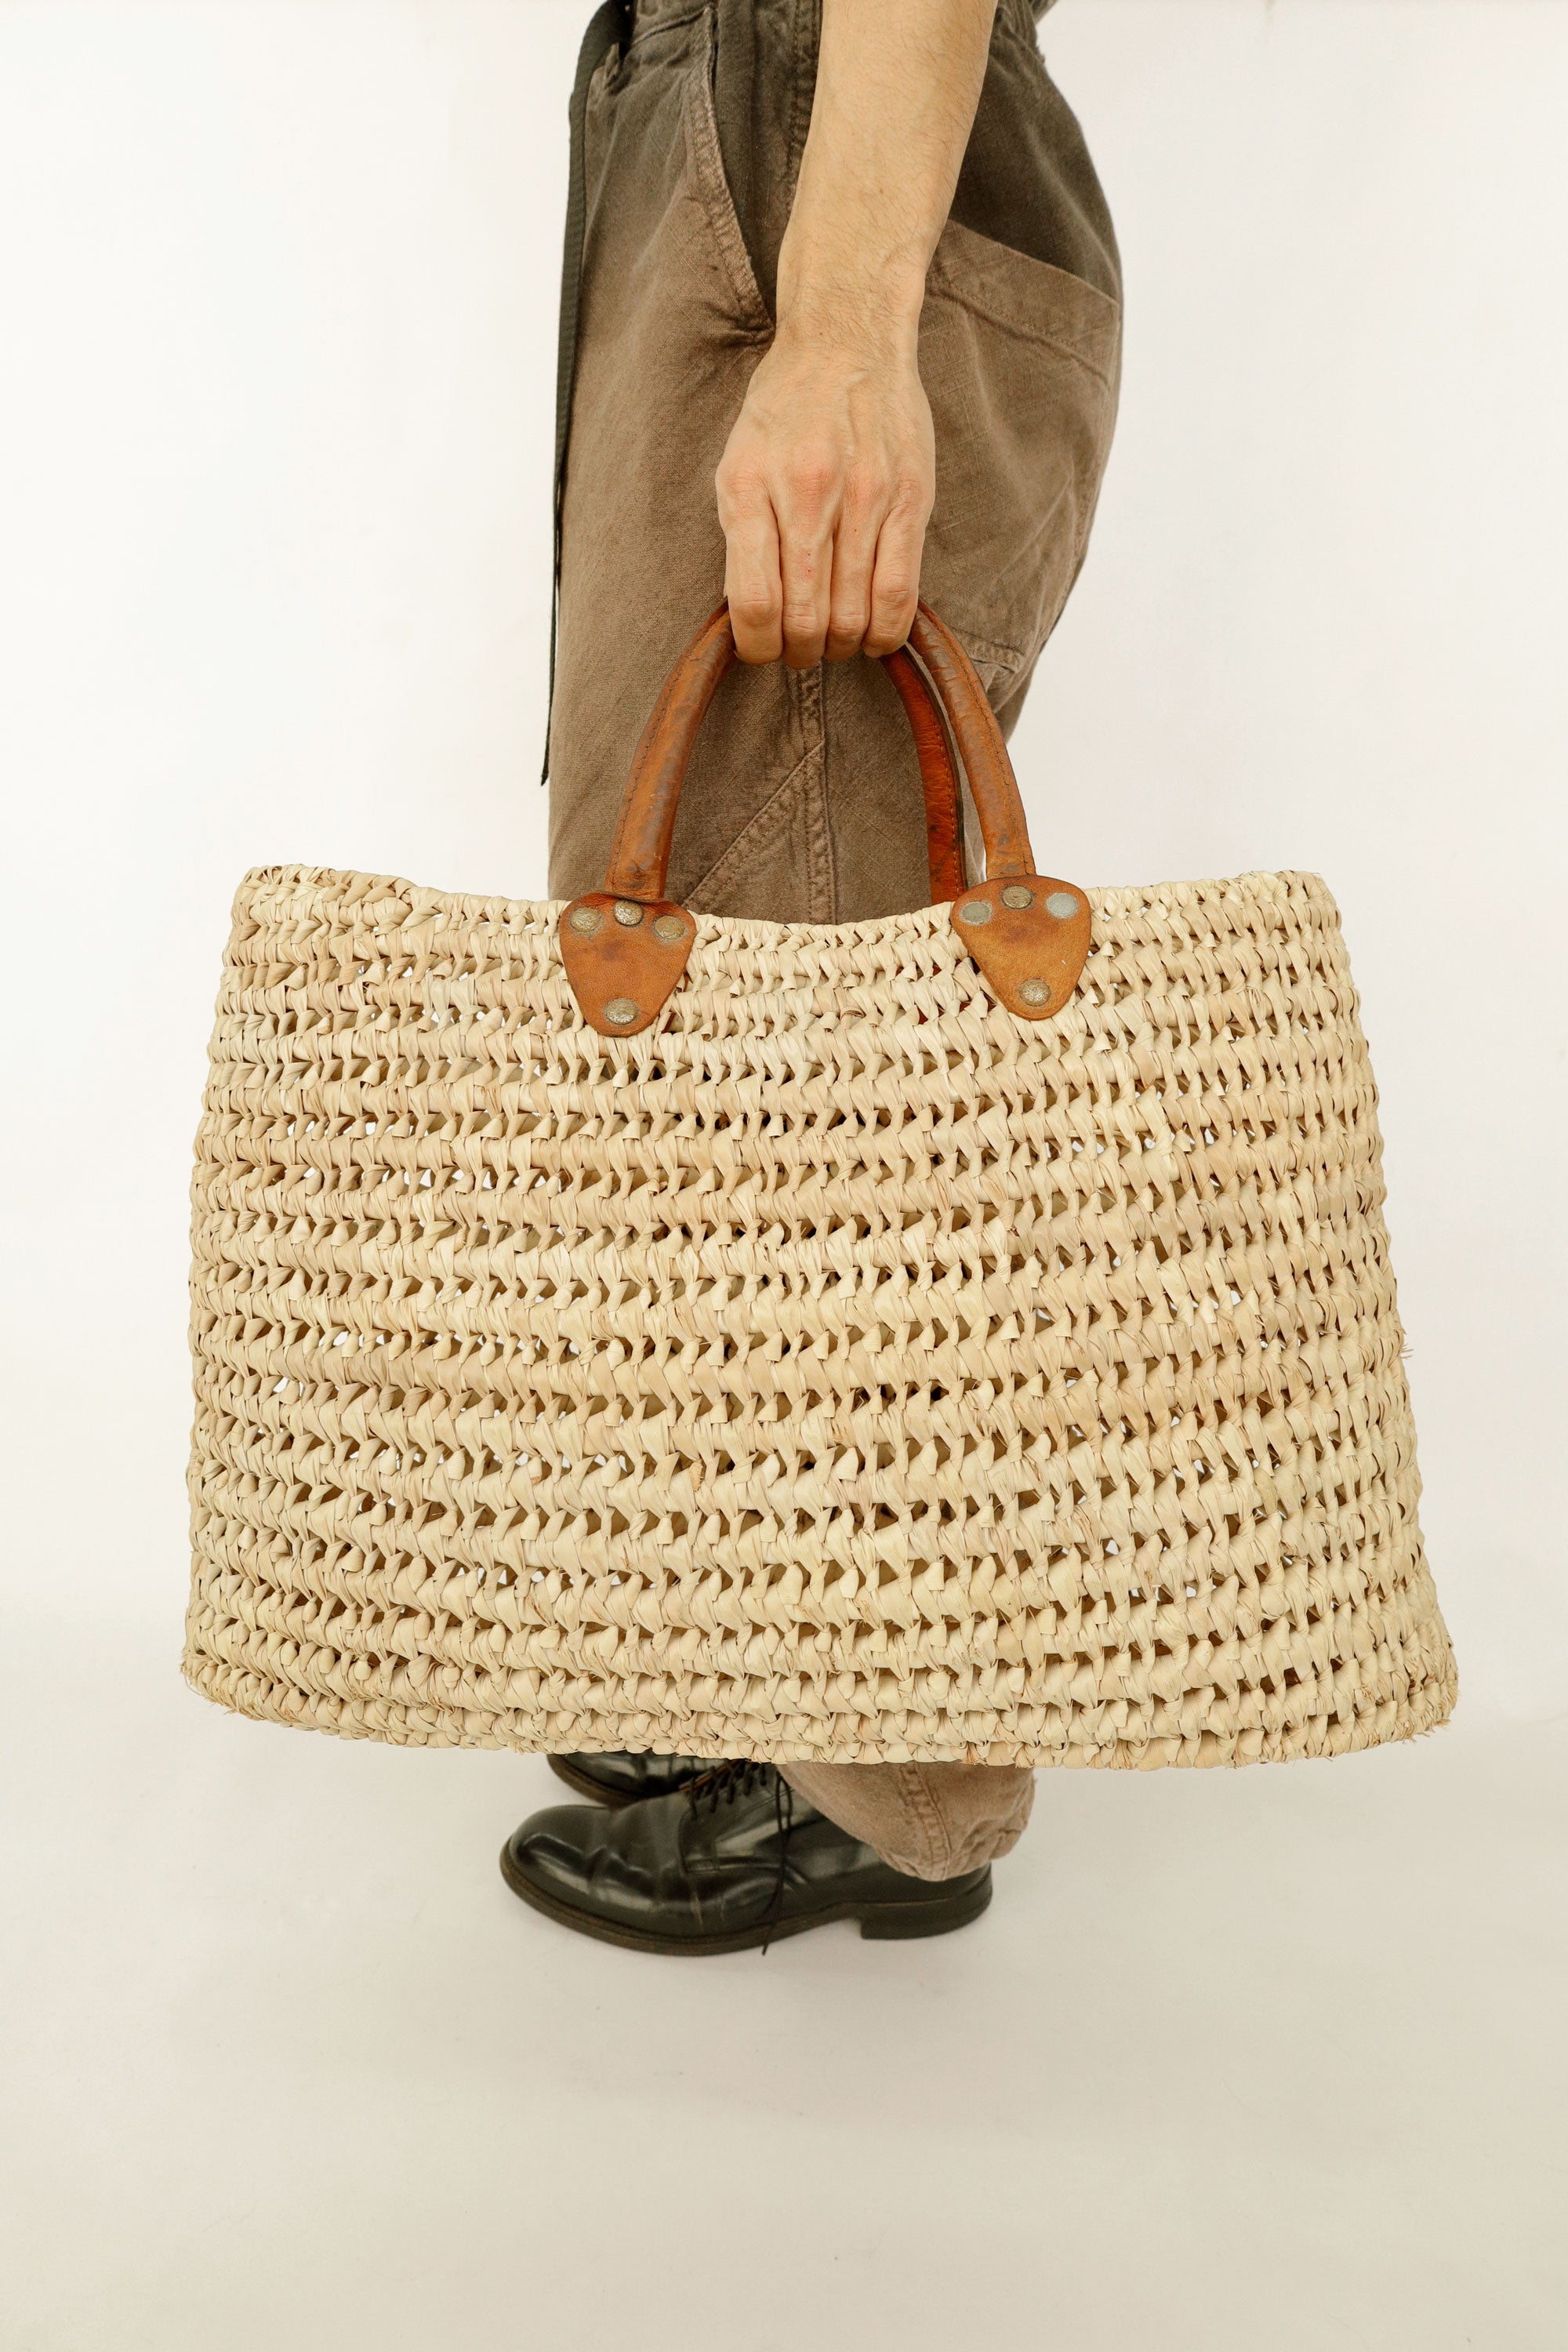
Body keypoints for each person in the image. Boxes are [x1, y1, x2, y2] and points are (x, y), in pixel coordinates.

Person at [501, 0, 1120, 1951]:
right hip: (739, 120)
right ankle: (765, 1659)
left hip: (813, 129)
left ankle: (891, 1783)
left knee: (805, 1012)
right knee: (715, 959)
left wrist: (845, 332)